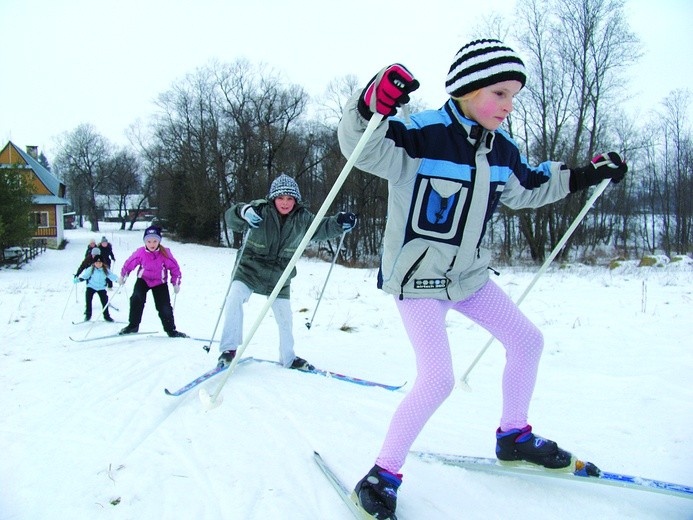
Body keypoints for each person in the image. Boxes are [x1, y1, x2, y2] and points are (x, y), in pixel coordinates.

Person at [337, 39, 628, 518]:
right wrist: (371, 103)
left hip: (468, 278)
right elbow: (363, 147)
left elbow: (531, 188)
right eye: (499, 93)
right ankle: (382, 473)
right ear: (467, 89)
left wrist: (583, 175)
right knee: (438, 379)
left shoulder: (503, 152)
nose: (508, 106)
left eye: (514, 95)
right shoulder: (420, 135)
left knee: (527, 341)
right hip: (419, 282)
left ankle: (513, 436)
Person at [217, 173, 357, 371]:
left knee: (285, 318)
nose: (284, 203)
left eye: (289, 198)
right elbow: (232, 218)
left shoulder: (303, 218)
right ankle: (228, 351)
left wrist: (338, 223)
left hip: (279, 276)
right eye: (281, 198)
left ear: (295, 200)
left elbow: (322, 227)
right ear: (273, 198)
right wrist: (243, 212)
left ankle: (289, 358)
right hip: (249, 269)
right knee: (234, 298)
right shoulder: (259, 210)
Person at [118, 225, 187, 338]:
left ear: (159, 241)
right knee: (136, 298)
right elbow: (130, 263)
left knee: (164, 306)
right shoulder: (141, 252)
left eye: (155, 241)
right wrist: (123, 275)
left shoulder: (165, 253)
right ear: (145, 241)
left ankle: (171, 330)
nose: (152, 244)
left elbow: (175, 268)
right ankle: (133, 325)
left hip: (159, 282)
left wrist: (176, 283)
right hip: (143, 280)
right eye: (149, 241)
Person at [75, 255, 119, 322]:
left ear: (102, 263)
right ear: (94, 263)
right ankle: (88, 315)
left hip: (101, 288)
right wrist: (78, 279)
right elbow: (85, 276)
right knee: (88, 300)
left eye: (100, 263)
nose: (98, 264)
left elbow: (112, 276)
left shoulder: (105, 270)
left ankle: (107, 316)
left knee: (105, 301)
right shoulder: (91, 269)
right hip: (91, 287)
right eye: (96, 263)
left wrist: (118, 280)